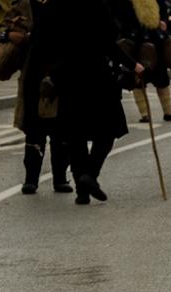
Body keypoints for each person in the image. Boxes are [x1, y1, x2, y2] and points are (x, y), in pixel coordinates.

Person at [47, 0, 133, 205]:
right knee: (108, 130)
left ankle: (81, 192)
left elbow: (47, 38)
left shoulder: (56, 5)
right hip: (97, 77)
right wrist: (132, 64)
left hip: (67, 77)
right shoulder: (96, 5)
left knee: (75, 136)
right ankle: (91, 174)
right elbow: (107, 43)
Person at [0, 0, 73, 195]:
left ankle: (60, 178)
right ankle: (31, 179)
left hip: (61, 75)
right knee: (34, 129)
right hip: (33, 75)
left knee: (60, 130)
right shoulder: (23, 6)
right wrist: (10, 35)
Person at [127, 0, 171, 122]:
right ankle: (145, 114)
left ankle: (169, 112)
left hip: (157, 38)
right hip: (136, 41)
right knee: (139, 79)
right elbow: (121, 16)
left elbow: (163, 10)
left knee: (162, 77)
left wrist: (163, 22)